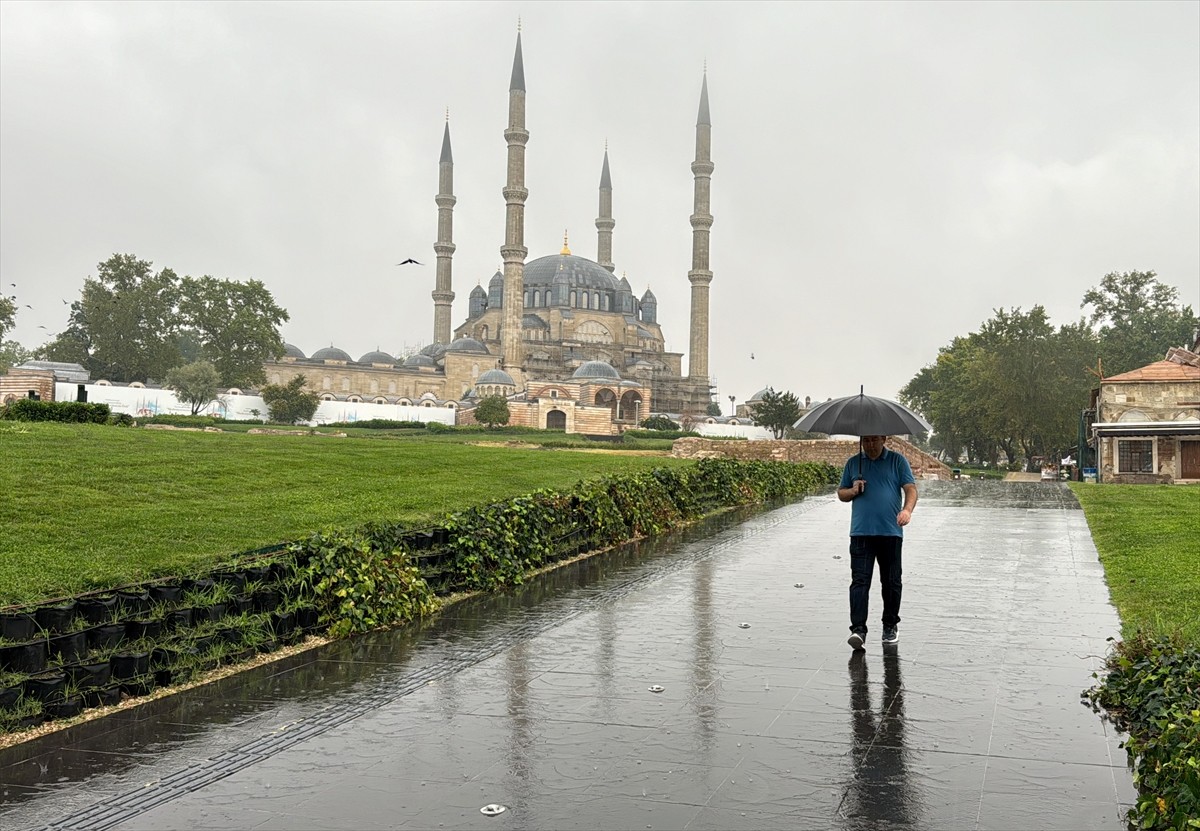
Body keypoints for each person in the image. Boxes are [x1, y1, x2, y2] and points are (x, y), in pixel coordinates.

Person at [836, 435, 918, 650]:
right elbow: (841, 493)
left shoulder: (897, 461)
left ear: (883, 439)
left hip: (890, 532)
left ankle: (890, 625)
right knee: (860, 582)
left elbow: (910, 488)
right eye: (866, 441)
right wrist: (853, 491)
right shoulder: (854, 463)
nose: (870, 445)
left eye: (874, 440)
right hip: (861, 532)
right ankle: (858, 629)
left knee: (891, 582)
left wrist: (907, 510)